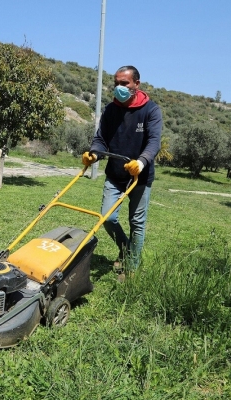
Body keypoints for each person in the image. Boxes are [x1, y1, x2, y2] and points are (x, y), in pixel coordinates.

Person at [82, 65, 162, 281]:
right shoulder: (111, 110)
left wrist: (142, 162)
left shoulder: (150, 110)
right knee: (107, 217)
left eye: (124, 83)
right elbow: (101, 139)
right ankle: (126, 249)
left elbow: (154, 142)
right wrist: (94, 154)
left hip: (140, 177)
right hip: (115, 174)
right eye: (116, 83)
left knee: (137, 222)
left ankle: (131, 269)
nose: (119, 87)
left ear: (136, 84)